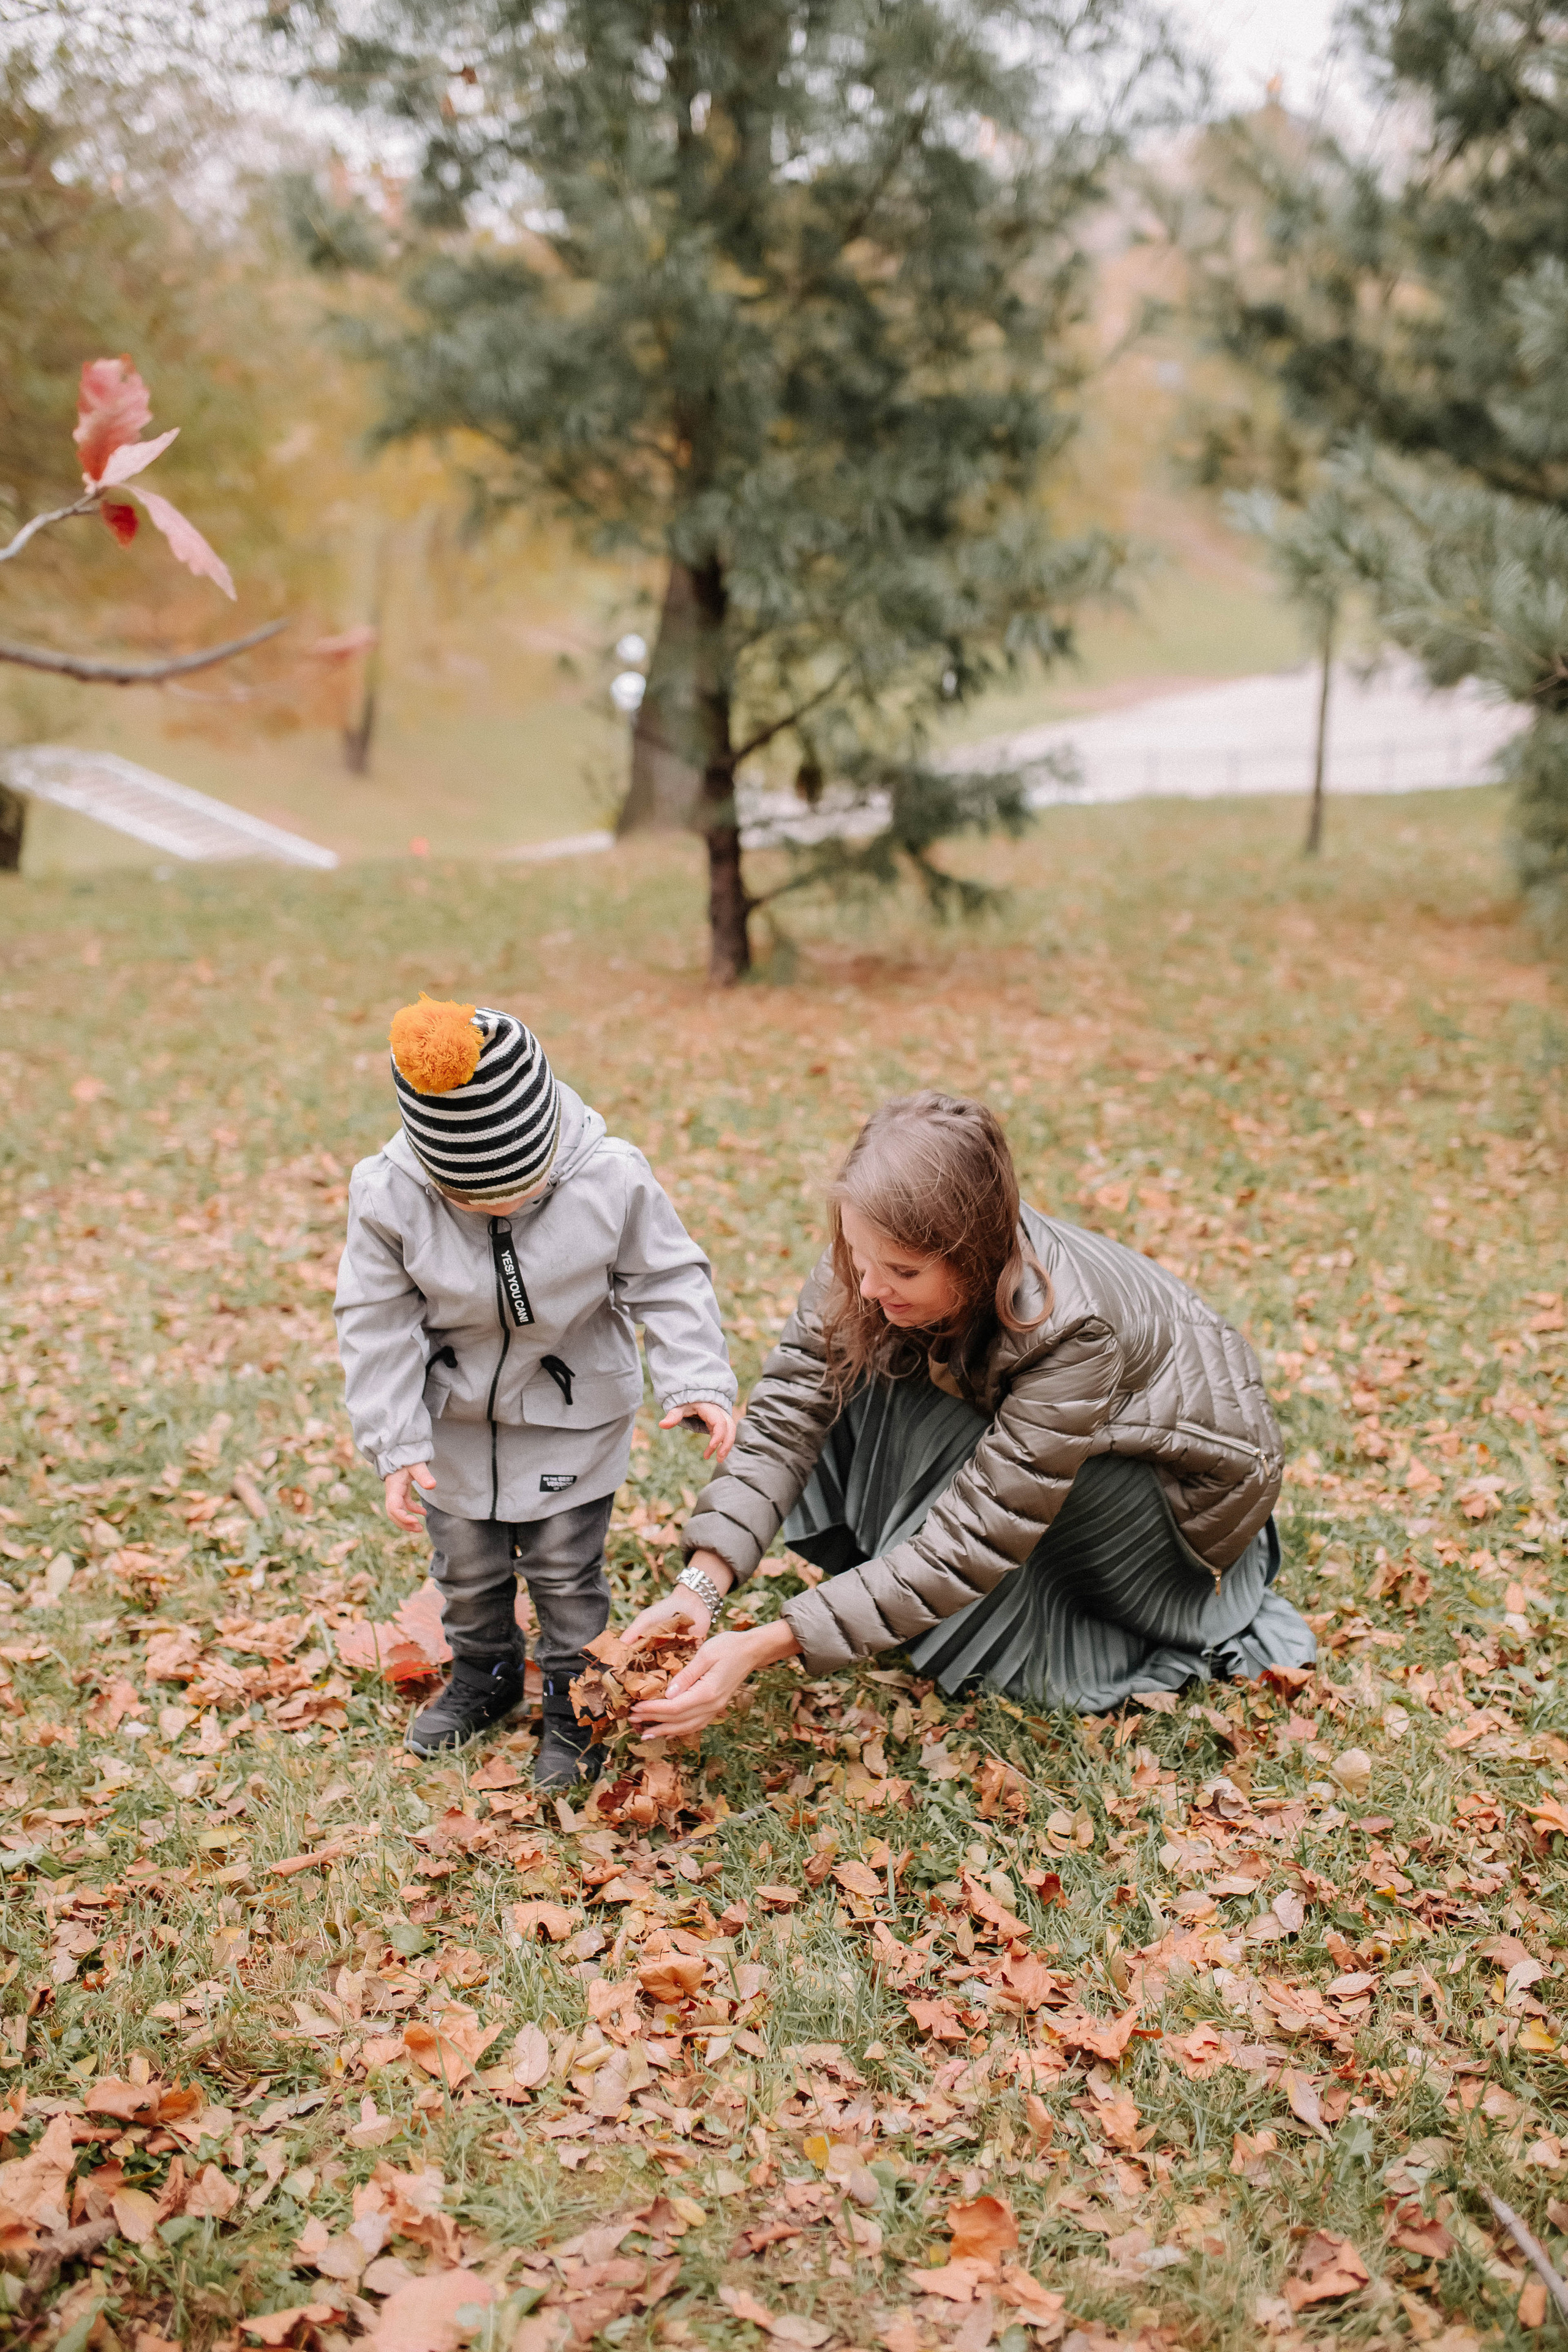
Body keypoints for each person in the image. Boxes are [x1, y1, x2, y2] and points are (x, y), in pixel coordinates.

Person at [626, 1091, 1313, 1738]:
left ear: (975, 1253)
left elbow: (975, 1539)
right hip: (1054, 1454)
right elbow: (785, 1420)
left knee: (933, 1432)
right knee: (854, 1369)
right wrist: (700, 1590)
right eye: (859, 1256)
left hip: (1169, 1508)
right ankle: (890, 1589)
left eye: (899, 1270)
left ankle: (1058, 1627)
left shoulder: (1076, 1332)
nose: (869, 1284)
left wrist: (771, 1643)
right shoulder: (870, 1254)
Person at [334, 995, 736, 1781]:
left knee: (563, 1571)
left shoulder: (608, 1178)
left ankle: (572, 1702)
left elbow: (670, 1279)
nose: (501, 1208)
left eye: (519, 1188)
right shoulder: (388, 1195)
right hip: (452, 1421)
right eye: (476, 1200)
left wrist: (694, 1378)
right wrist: (393, 1439)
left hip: (572, 1417)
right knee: (466, 1568)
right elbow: (373, 1319)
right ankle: (482, 1675)